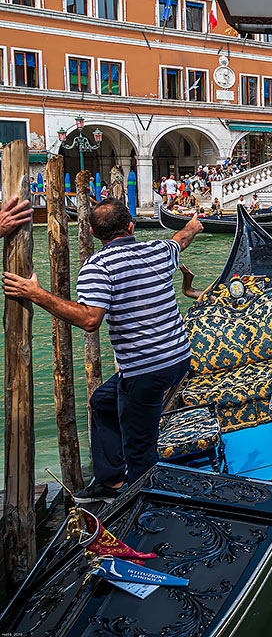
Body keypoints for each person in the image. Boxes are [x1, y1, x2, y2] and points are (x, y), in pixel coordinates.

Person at [3, 200, 203, 501]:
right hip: (178, 358)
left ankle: (142, 510)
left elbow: (89, 319)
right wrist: (193, 225)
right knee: (102, 402)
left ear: (95, 234)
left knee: (139, 448)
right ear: (131, 226)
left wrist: (37, 294)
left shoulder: (98, 266)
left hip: (145, 370)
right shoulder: (160, 251)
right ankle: (109, 482)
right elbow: (181, 239)